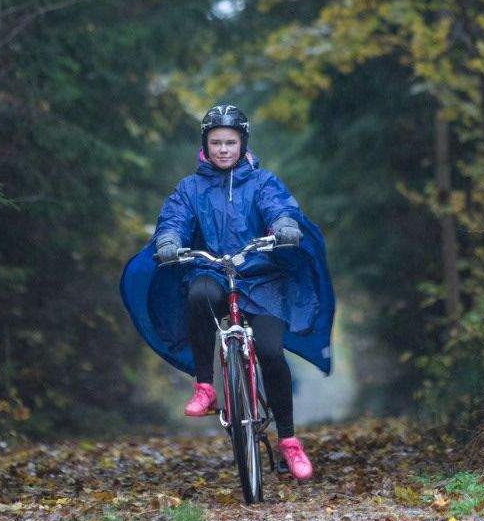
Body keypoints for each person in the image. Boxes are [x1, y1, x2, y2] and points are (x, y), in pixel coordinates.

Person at [119, 105, 336, 482]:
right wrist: (169, 239)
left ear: (243, 143)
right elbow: (175, 219)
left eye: (230, 142)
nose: (223, 149)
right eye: (216, 142)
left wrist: (284, 224)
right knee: (198, 294)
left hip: (263, 278)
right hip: (213, 270)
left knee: (270, 351)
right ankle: (206, 386)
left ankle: (288, 440)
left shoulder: (263, 182)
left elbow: (279, 208)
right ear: (205, 144)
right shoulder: (190, 188)